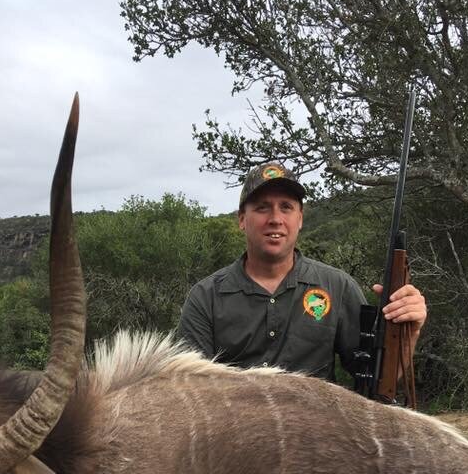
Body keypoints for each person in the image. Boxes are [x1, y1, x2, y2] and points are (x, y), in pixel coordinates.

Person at [176, 161, 427, 381]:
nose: (275, 218)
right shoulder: (206, 297)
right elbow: (190, 392)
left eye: (286, 207)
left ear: (300, 219)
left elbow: (378, 378)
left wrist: (407, 334)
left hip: (317, 432)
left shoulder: (337, 287)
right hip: (236, 432)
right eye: (262, 207)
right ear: (242, 219)